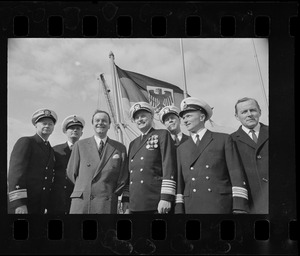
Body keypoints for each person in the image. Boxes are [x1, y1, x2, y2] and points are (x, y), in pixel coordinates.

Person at [175, 97, 249, 214]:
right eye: (183, 118)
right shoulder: (181, 148)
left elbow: (236, 173)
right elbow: (180, 183)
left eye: (188, 116)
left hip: (220, 203)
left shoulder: (223, 139)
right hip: (192, 206)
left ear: (202, 117)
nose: (185, 121)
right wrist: (179, 209)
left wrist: (239, 206)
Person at [67, 110, 128, 214]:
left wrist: (112, 192)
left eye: (104, 121)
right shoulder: (80, 145)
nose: (100, 123)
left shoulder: (120, 148)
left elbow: (123, 176)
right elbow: (71, 173)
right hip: (83, 202)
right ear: (93, 124)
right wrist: (84, 187)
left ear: (109, 125)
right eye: (97, 120)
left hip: (106, 202)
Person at [123, 102, 177, 214]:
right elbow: (129, 174)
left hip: (155, 202)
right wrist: (126, 199)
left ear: (151, 117)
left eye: (143, 116)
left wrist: (166, 197)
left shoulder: (162, 134)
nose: (140, 119)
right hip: (135, 203)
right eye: (136, 117)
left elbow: (168, 165)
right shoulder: (133, 143)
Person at [7, 108, 57, 214]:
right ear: (36, 125)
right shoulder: (26, 142)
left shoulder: (50, 150)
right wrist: (19, 203)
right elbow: (16, 173)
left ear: (53, 127)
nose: (47, 126)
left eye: (50, 124)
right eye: (44, 123)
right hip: (24, 204)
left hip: (39, 204)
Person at [231, 97, 269, 214]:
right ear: (237, 116)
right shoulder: (231, 140)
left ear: (260, 112)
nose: (249, 115)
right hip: (251, 204)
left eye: (252, 110)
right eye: (244, 112)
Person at [48, 115, 85, 214]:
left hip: (79, 197)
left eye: (78, 129)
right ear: (65, 131)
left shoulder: (86, 151)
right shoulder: (55, 150)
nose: (75, 130)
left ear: (82, 133)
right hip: (57, 198)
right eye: (71, 128)